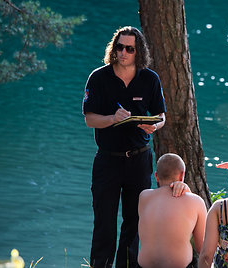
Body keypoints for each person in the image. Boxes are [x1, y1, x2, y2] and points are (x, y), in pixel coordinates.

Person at [82, 26, 166, 268]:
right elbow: (89, 119)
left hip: (139, 160)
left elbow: (161, 115)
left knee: (135, 222)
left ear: (138, 51)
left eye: (129, 48)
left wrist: (155, 126)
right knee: (104, 222)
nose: (123, 52)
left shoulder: (150, 78)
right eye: (119, 47)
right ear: (113, 48)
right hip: (107, 160)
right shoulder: (98, 77)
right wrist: (112, 119)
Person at [138, 153, 207, 268]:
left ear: (156, 176)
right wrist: (188, 192)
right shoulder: (196, 201)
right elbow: (201, 248)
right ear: (182, 176)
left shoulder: (143, 197)